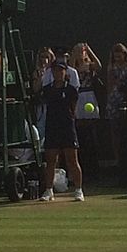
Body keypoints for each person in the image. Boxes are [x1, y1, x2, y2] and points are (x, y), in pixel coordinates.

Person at [37, 60, 84, 202]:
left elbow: (73, 108)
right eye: (56, 70)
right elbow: (36, 92)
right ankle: (49, 190)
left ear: (65, 72)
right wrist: (38, 77)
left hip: (67, 128)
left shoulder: (71, 90)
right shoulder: (47, 89)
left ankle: (78, 190)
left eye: (61, 70)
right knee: (51, 160)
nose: (58, 73)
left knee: (72, 160)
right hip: (52, 128)